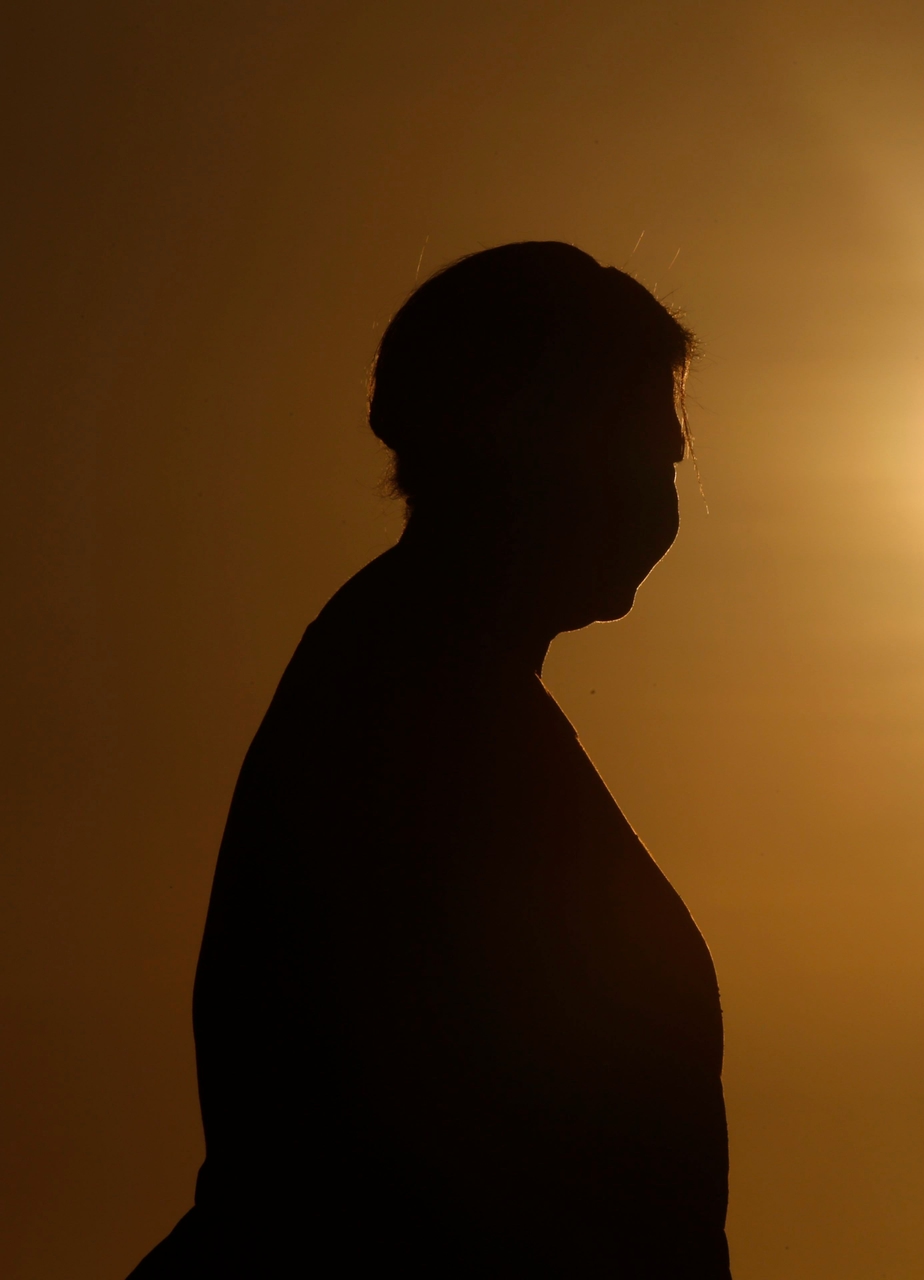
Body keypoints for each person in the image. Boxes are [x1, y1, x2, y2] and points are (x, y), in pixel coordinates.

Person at [130, 242, 728, 1277]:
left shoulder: (429, 689)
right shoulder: (411, 723)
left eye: (666, 461)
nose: (657, 494)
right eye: (642, 450)